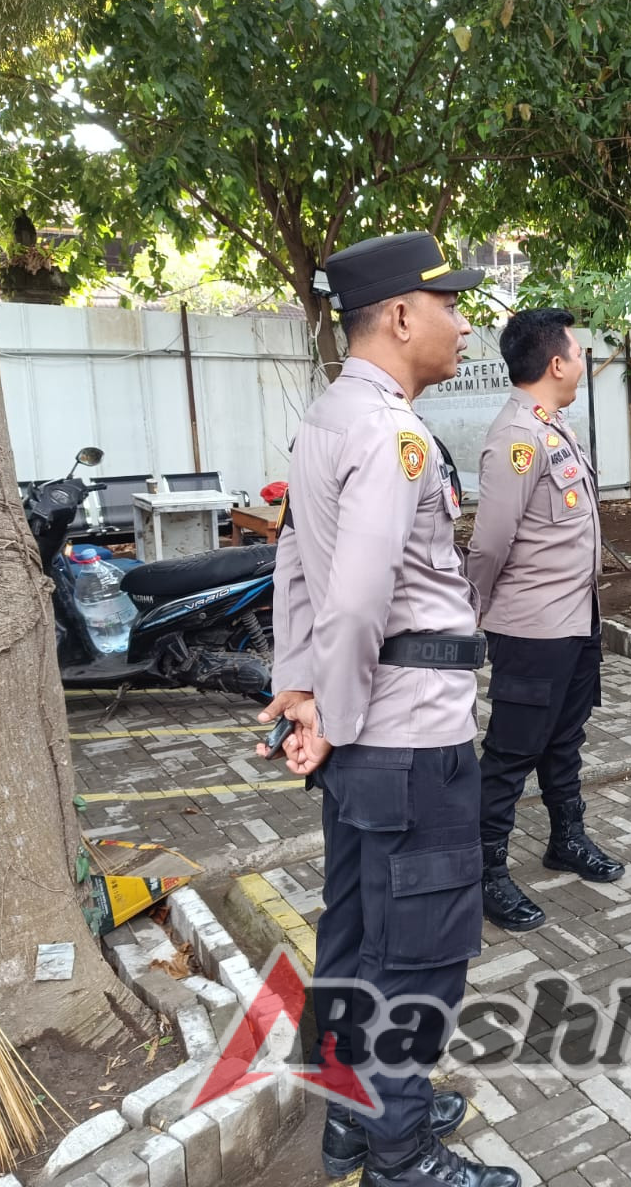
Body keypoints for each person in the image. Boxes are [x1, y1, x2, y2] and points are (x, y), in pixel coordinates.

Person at [256, 231, 519, 1187]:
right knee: (421, 952)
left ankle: (349, 1123)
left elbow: (294, 561)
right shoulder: (394, 432)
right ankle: (402, 1154)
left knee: (358, 934)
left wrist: (300, 686)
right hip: (407, 733)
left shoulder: (328, 418)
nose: (462, 322)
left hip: (366, 736)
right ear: (402, 316)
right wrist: (332, 711)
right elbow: (361, 597)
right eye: (449, 304)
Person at [466, 308, 622, 932]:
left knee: (565, 739)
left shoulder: (553, 428)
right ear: (556, 364)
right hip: (532, 630)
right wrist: (475, 611)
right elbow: (489, 544)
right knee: (511, 753)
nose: (583, 361)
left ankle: (567, 839)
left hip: (576, 621)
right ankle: (484, 873)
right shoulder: (516, 439)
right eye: (579, 352)